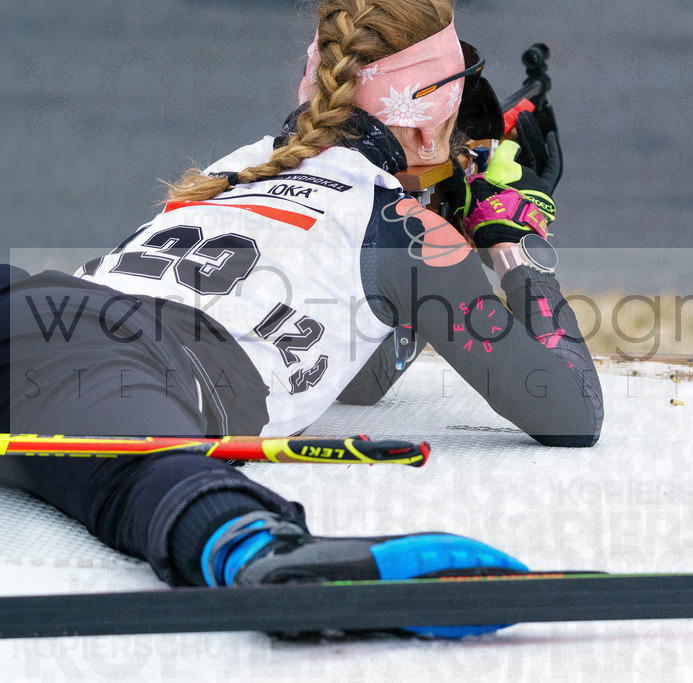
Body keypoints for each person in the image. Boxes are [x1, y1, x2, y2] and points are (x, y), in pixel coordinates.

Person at [0, 0, 602, 638]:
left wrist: (436, 214)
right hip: (136, 362)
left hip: (40, 305)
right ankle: (272, 557)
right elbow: (570, 412)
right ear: (430, 127)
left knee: (99, 429)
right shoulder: (404, 230)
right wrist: (515, 248)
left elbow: (356, 377)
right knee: (156, 481)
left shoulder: (236, 164)